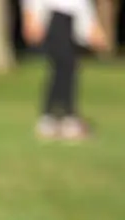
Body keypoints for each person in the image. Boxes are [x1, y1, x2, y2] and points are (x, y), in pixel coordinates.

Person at [21, 0, 109, 140]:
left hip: (71, 18)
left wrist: (90, 27)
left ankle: (55, 117)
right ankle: (61, 117)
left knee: (67, 67)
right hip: (56, 15)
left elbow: (81, 5)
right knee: (64, 65)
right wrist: (31, 16)